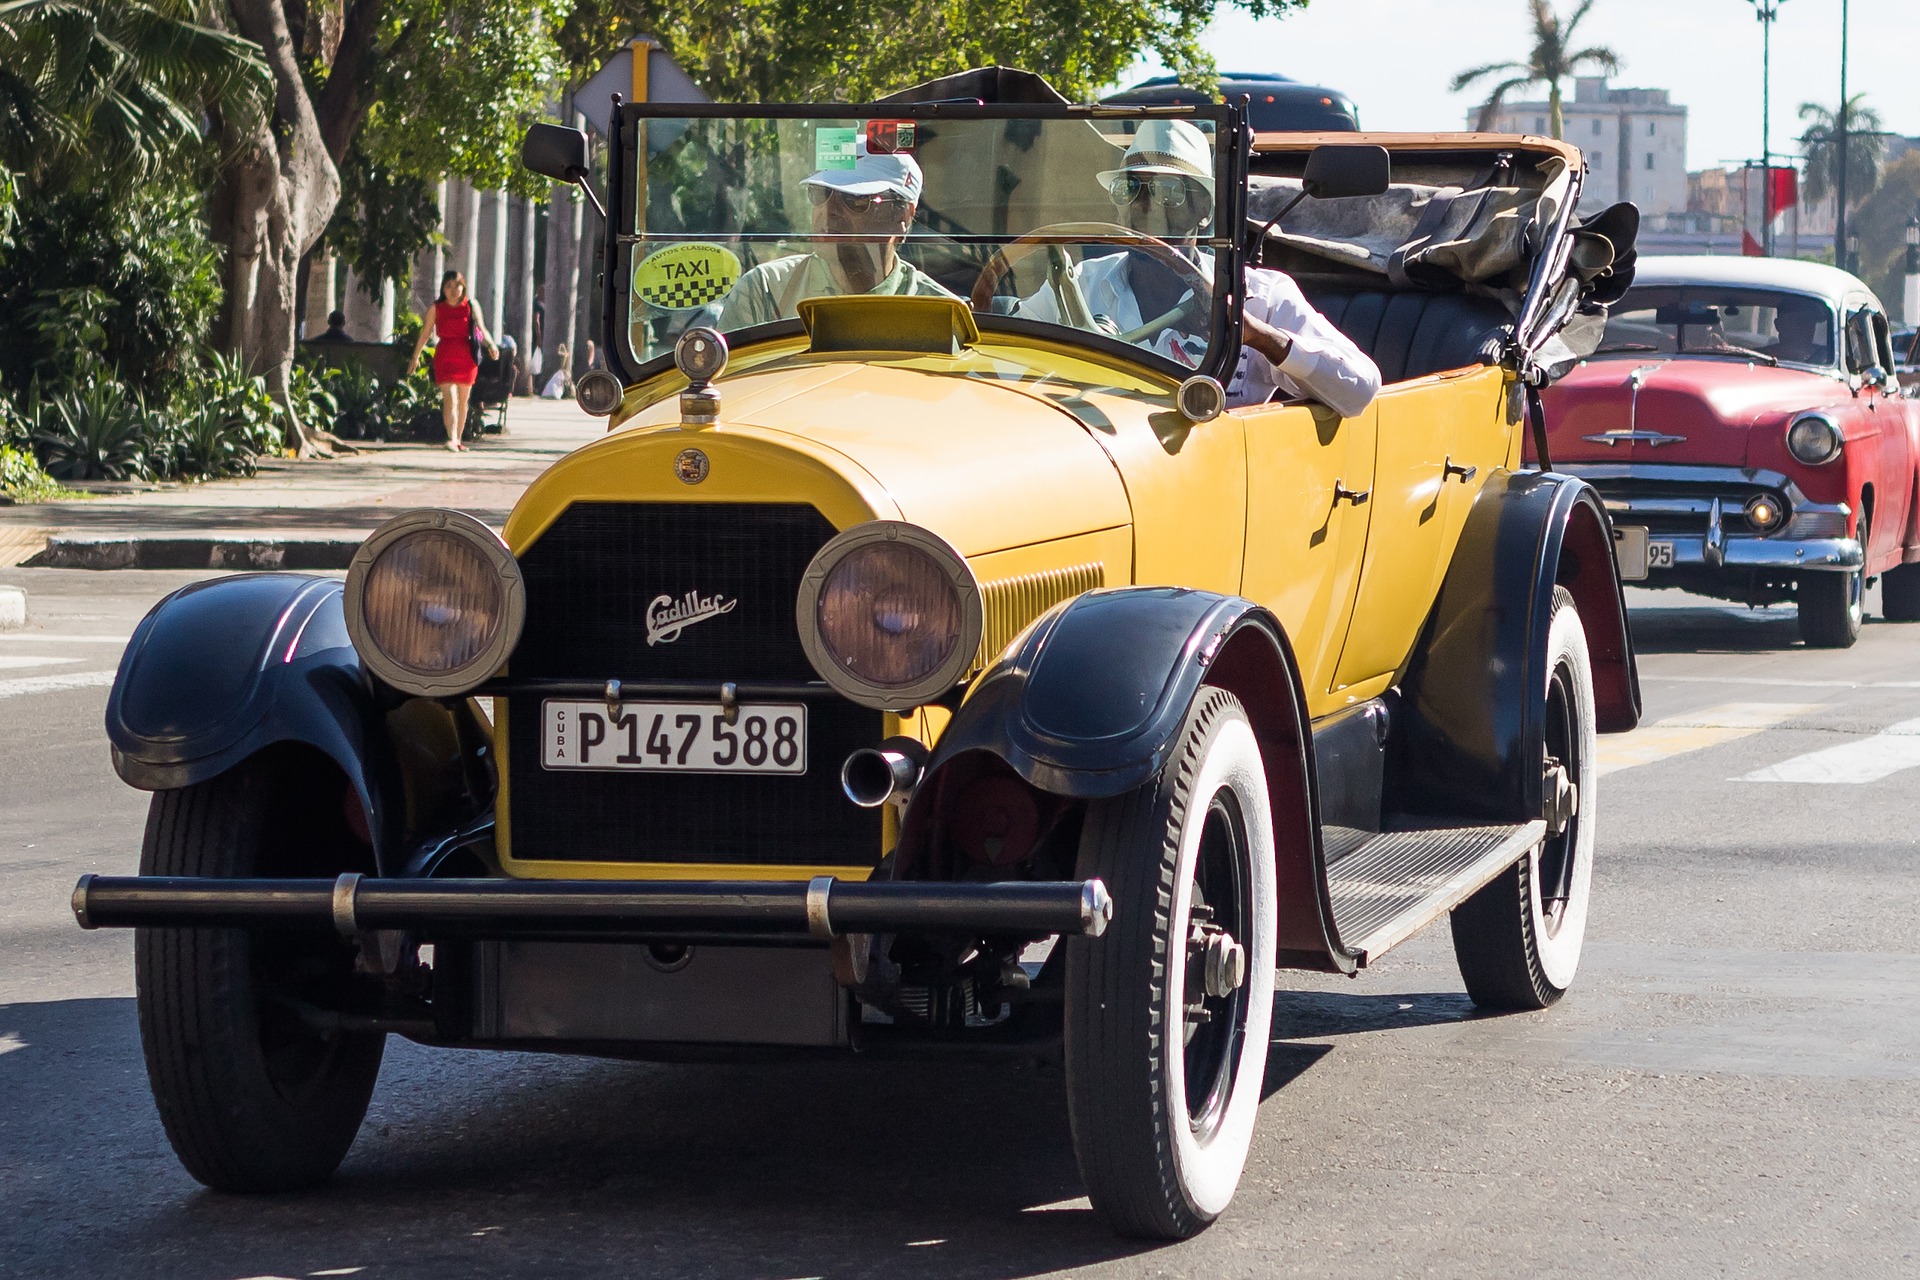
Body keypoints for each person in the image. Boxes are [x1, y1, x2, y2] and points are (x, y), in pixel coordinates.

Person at [1017, 120, 1380, 417]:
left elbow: (1360, 388)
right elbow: (1005, 359)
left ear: (1204, 209)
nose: (1144, 205)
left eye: (1168, 192)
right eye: (1129, 188)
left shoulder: (1258, 296)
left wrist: (1255, 335)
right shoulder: (1079, 283)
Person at [699, 136, 957, 328]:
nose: (828, 210)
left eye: (855, 198)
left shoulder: (939, 310)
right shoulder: (764, 291)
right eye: (820, 193)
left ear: (902, 215)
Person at [406, 270, 498, 452]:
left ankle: (458, 439)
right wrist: (415, 357)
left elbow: (482, 328)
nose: (453, 289)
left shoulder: (471, 305)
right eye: (449, 286)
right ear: (443, 289)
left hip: (467, 357)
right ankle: (451, 437)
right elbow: (425, 333)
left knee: (463, 401)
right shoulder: (436, 308)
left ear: (463, 286)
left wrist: (492, 345)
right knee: (451, 399)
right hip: (445, 355)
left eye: (457, 285)